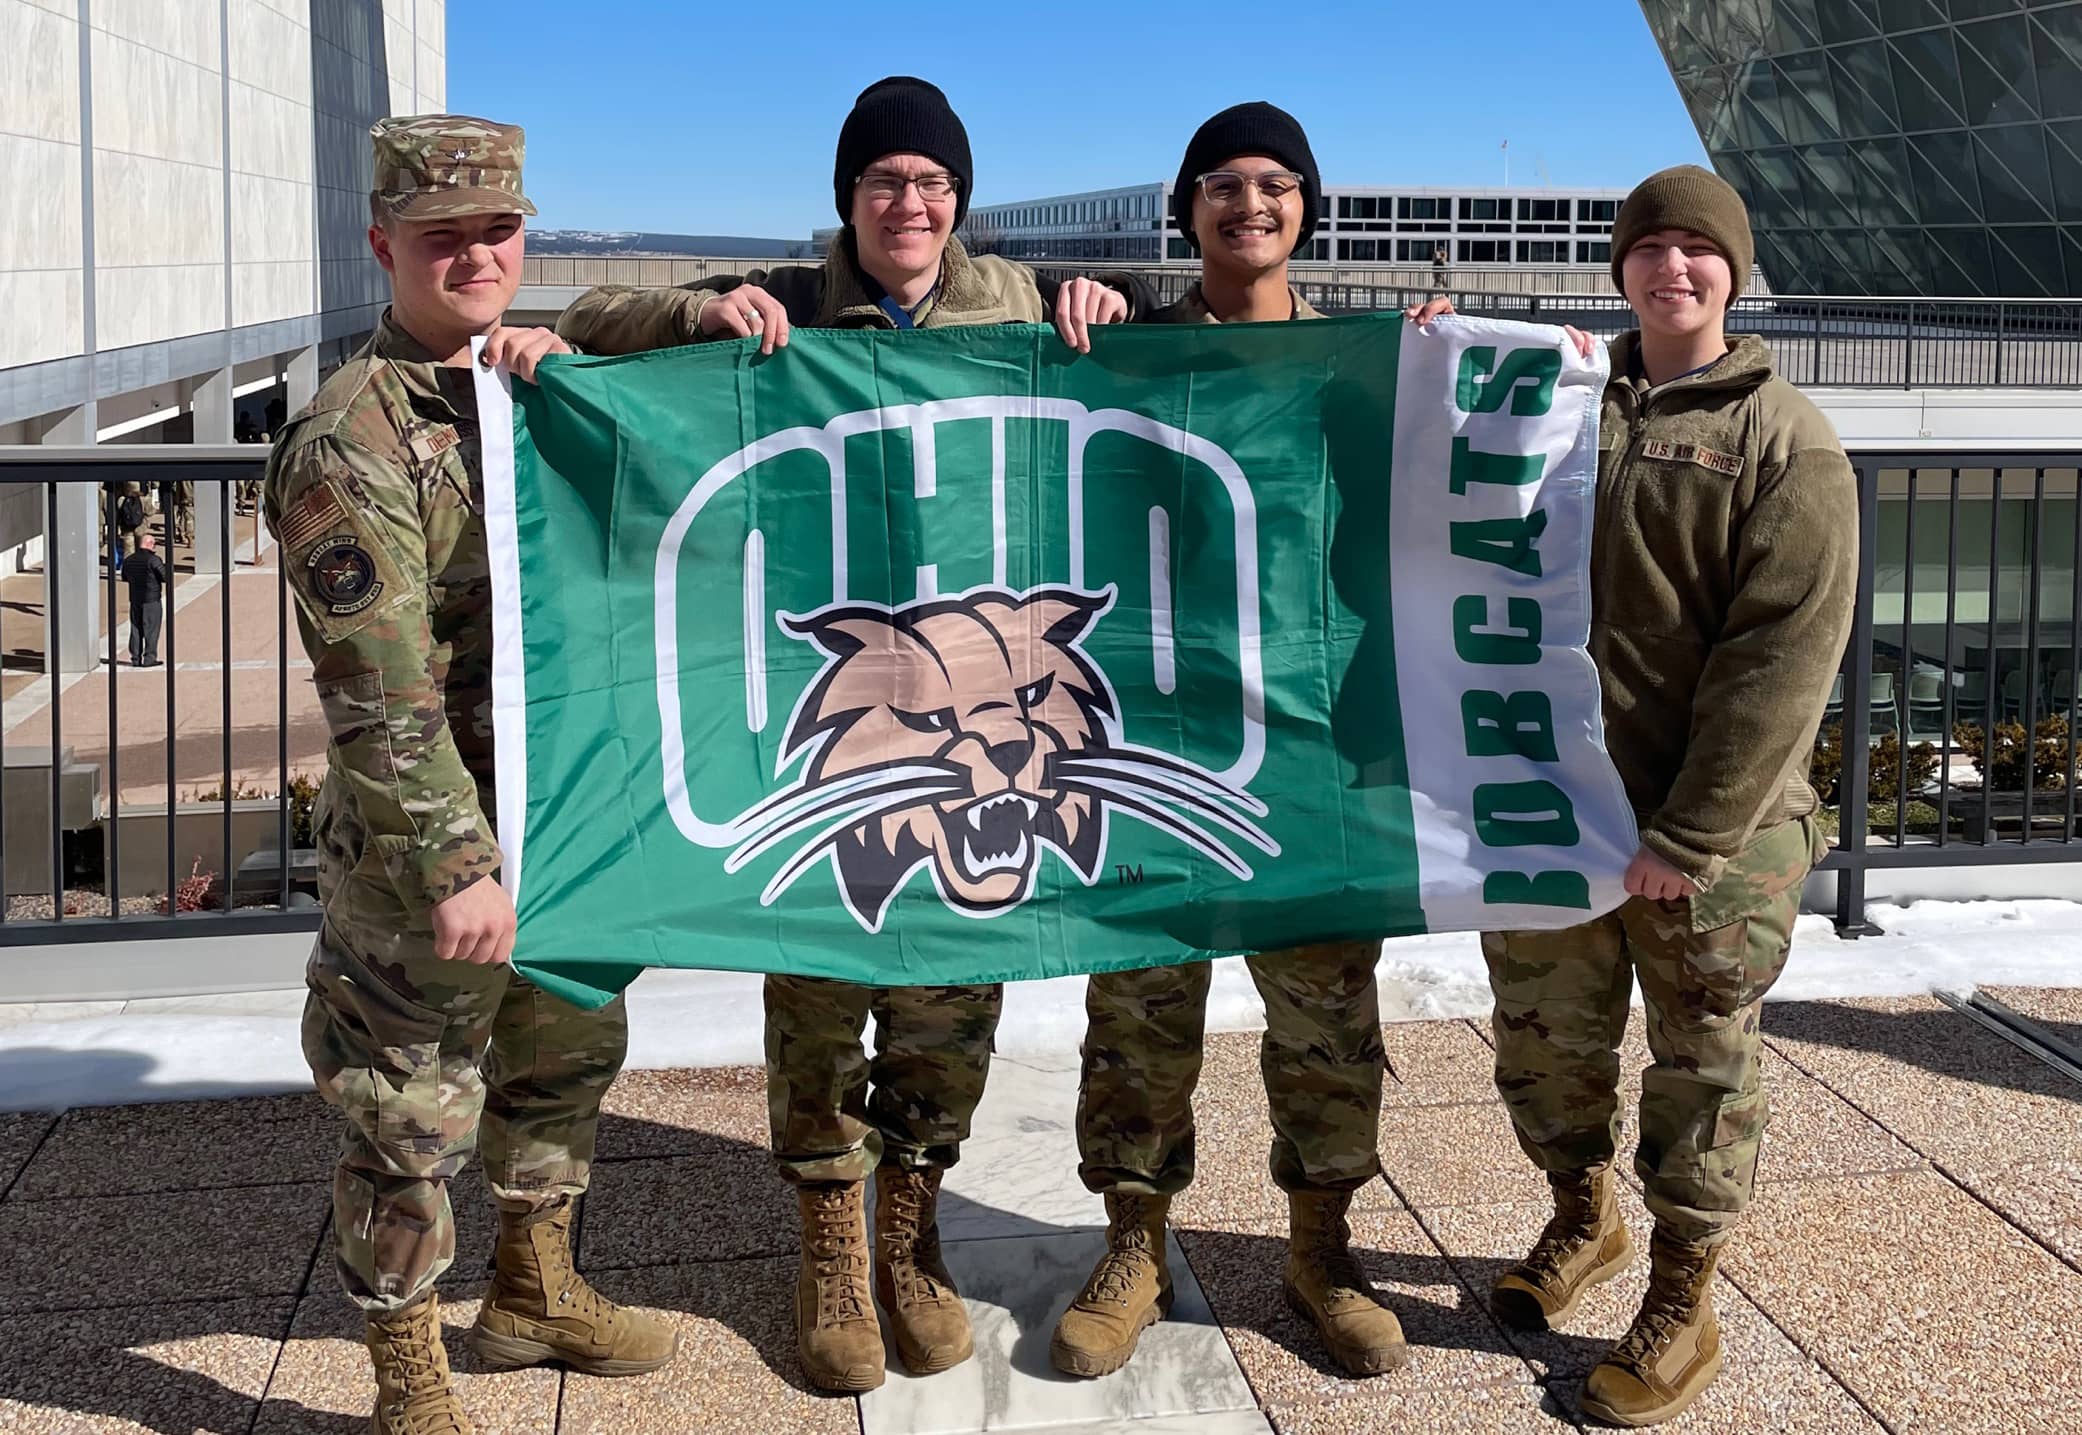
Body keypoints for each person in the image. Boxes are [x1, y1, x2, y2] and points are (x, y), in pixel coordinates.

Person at [556, 76, 1136, 1395]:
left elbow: (1146, 376)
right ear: (847, 201)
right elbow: (588, 320)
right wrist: (690, 315)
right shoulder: (785, 296)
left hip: (985, 715)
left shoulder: (1010, 306)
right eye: (884, 182)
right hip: (832, 724)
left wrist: (1106, 310)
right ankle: (828, 1235)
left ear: (959, 203)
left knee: (951, 986)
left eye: (931, 183)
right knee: (815, 974)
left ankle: (910, 1227)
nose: (909, 203)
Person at [1407, 164, 1856, 1425]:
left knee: (1700, 1070)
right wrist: (1426, 362)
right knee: (1547, 1049)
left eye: (1698, 253)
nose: (1673, 271)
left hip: (1705, 837)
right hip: (1554, 810)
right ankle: (1580, 1216)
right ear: (1620, 270)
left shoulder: (1785, 440)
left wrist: (1693, 834)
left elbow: (1782, 659)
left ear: (1734, 270)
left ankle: (1683, 1299)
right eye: (1649, 249)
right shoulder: (1563, 398)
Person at [264, 114, 676, 1435]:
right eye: (443, 235)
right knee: (408, 1107)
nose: (476, 253)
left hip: (559, 815)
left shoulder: (520, 383)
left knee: (562, 1048)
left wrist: (589, 364)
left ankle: (534, 1288)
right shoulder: (350, 440)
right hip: (427, 837)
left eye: (498, 228)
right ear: (384, 243)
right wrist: (456, 857)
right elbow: (376, 684)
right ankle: (409, 1379)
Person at [1048, 101, 1405, 1383]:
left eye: (1274, 183)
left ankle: (1322, 1249)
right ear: (1184, 210)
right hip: (1155, 737)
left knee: (1327, 1016)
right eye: (1220, 185)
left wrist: (1458, 364)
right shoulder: (1130, 348)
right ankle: (1134, 1242)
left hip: (1306, 742)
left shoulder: (1368, 361)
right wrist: (1077, 307)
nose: (1248, 204)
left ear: (1308, 205)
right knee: (1139, 1009)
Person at [121, 533, 168, 666]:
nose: (154, 547)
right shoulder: (153, 560)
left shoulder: (129, 560)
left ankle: (135, 658)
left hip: (135, 598)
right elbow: (165, 577)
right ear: (148, 544)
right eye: (154, 544)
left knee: (135, 629)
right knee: (151, 629)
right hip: (151, 599)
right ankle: (149, 657)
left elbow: (125, 577)